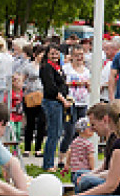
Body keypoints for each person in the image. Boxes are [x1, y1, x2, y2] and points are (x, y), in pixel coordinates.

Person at [39, 43, 72, 172]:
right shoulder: (47, 67)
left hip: (59, 102)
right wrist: (63, 100)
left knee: (57, 133)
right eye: (52, 53)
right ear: (47, 54)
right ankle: (48, 163)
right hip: (53, 102)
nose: (55, 56)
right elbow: (51, 88)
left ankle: (50, 161)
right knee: (53, 133)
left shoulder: (58, 67)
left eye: (57, 53)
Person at [62, 46, 91, 155]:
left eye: (81, 55)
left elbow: (90, 87)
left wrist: (88, 85)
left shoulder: (86, 71)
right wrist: (76, 83)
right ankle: (63, 154)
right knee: (70, 130)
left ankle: (76, 153)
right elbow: (62, 84)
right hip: (71, 102)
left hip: (83, 102)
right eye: (76, 55)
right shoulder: (66, 69)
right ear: (71, 56)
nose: (79, 57)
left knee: (81, 130)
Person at [20, 44, 46, 158]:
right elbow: (22, 80)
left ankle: (38, 148)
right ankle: (27, 148)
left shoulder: (45, 67)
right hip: (31, 96)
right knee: (30, 123)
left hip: (43, 96)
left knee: (41, 123)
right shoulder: (28, 66)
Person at [61, 118, 96, 185]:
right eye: (91, 129)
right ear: (84, 130)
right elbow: (90, 157)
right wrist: (93, 170)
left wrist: (67, 165)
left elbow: (69, 153)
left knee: (76, 186)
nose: (93, 131)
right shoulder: (88, 144)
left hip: (74, 171)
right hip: (84, 172)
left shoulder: (74, 141)